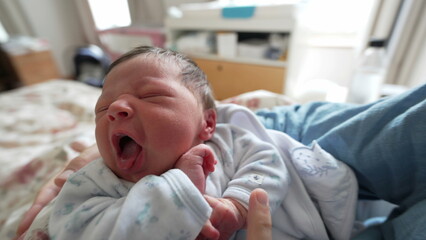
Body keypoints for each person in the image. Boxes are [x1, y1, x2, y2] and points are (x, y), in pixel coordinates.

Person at [17, 46, 357, 240]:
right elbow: (81, 230)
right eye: (103, 107)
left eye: (150, 95)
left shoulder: (230, 139)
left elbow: (268, 163)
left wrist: (238, 206)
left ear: (207, 122)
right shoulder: (94, 182)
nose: (116, 109)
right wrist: (178, 190)